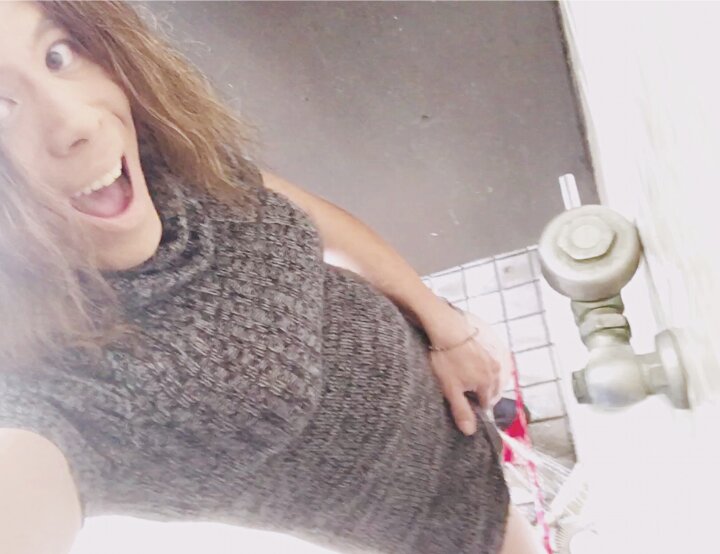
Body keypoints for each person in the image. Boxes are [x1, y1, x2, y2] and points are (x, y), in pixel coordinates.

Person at [0, 2, 542, 553]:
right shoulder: (52, 382)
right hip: (451, 528)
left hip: (455, 413)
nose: (75, 122)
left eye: (57, 55)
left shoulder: (158, 158)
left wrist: (441, 324)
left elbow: (308, 216)